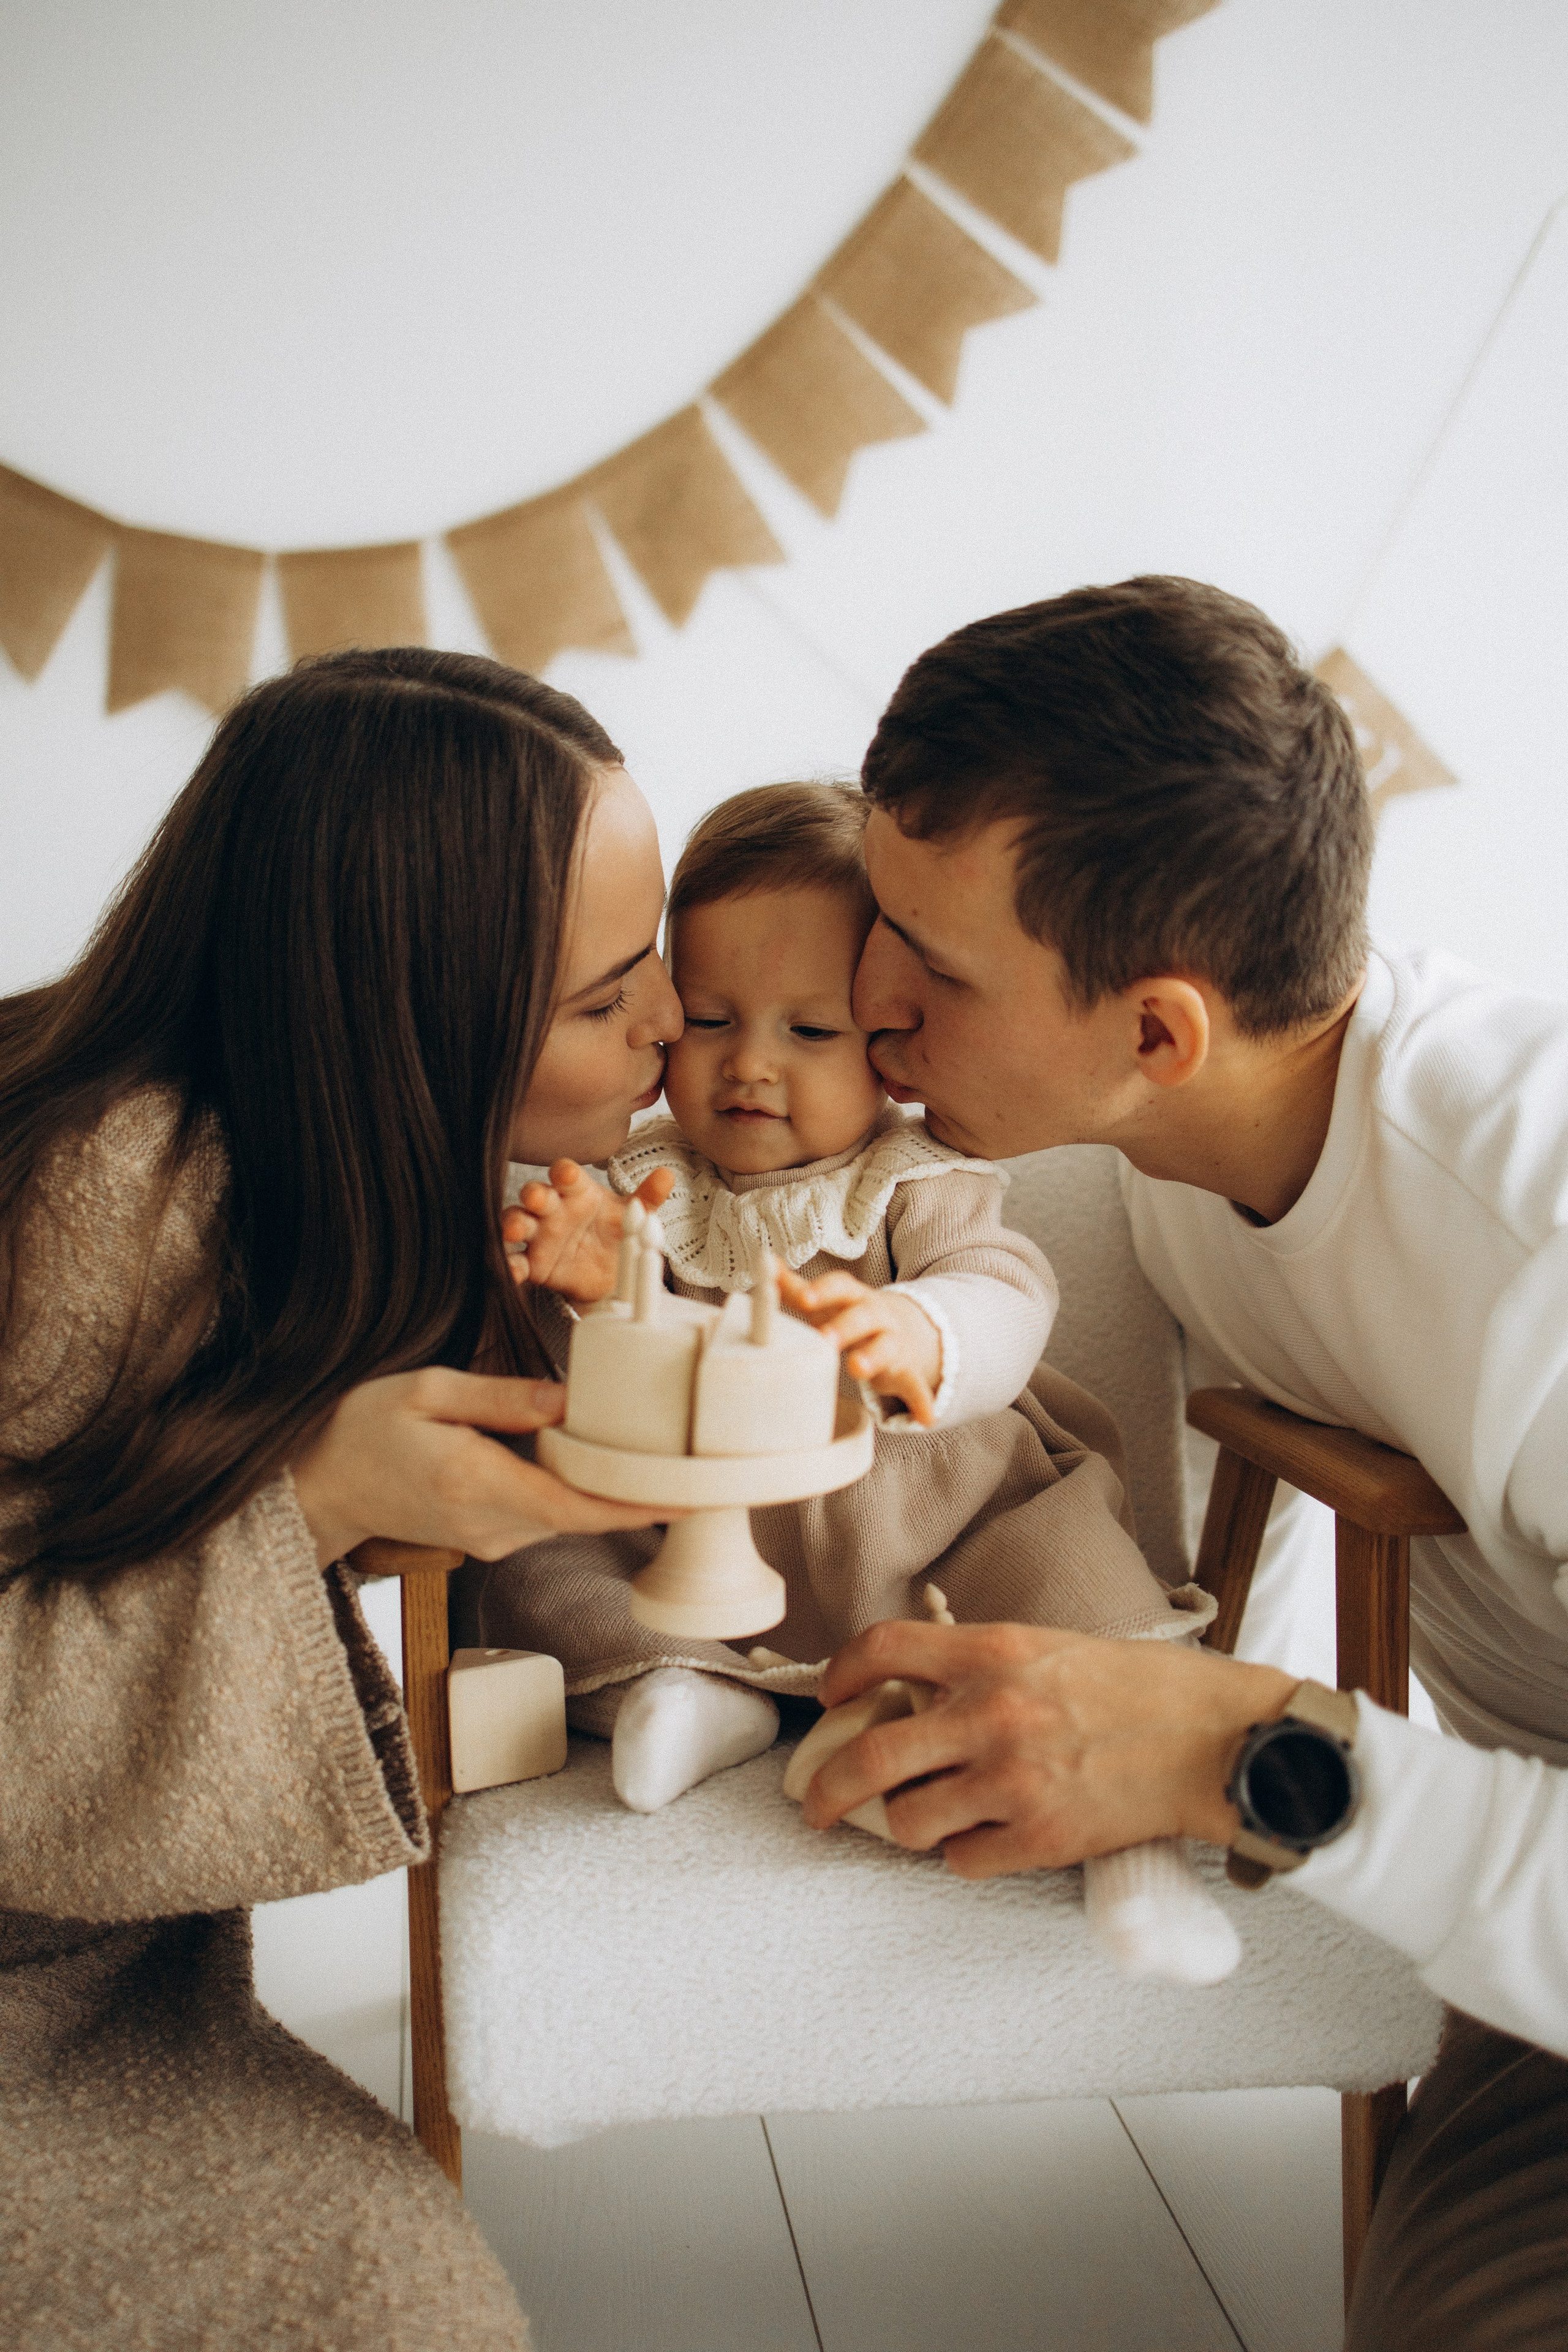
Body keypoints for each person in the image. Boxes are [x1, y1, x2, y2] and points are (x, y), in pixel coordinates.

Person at [794, 576, 1568, 2348]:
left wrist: (1248, 1756)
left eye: (934, 961)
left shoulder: (1542, 1254)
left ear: (1158, 1031)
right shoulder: (1195, 1158)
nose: (864, 995)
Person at [0, 647, 688, 2350]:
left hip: (105, 2005)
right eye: (609, 1002)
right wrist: (295, 1512)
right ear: (414, 1018)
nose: (671, 1028)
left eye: (655, 961)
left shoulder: (376, 1191)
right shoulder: (101, 1197)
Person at [470, 780, 1233, 1976]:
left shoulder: (905, 1176)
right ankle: (684, 1694)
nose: (750, 1069)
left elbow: (1003, 1282)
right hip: (695, 1535)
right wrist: (609, 1283)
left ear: (885, 1036)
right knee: (539, 1559)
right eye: (710, 1021)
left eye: (809, 1031)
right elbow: (617, 1381)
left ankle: (1129, 1847)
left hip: (924, 1514)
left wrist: (915, 1329)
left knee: (1061, 1553)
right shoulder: (633, 1182)